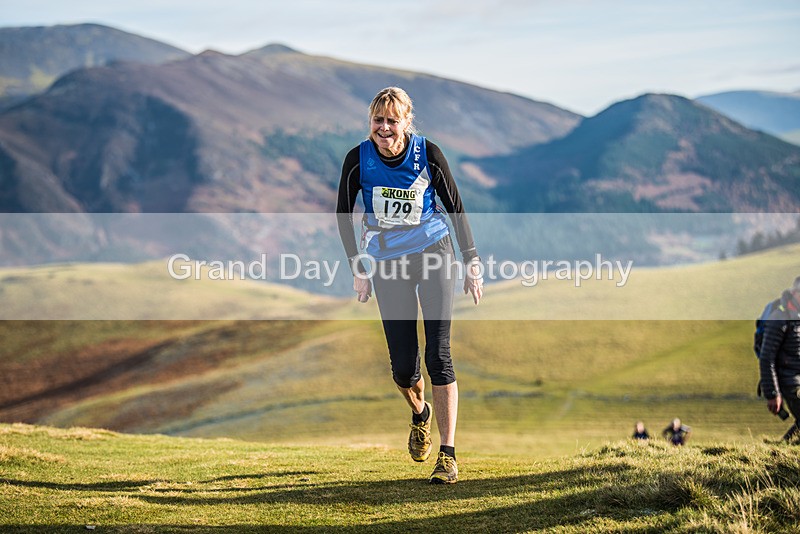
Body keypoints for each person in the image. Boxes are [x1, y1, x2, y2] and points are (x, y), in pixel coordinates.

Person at [336, 87, 483, 484]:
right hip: (386, 261)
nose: (384, 128)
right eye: (377, 121)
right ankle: (420, 414)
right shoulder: (358, 160)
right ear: (371, 122)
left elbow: (455, 206)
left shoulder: (428, 154)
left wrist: (471, 262)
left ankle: (448, 455)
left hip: (434, 252)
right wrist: (359, 267)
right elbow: (342, 214)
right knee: (404, 367)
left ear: (406, 122)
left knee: (439, 355)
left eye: (392, 120)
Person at [759, 276, 800, 441]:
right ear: (795, 293)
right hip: (789, 382)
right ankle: (781, 452)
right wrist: (772, 393)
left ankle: (781, 449)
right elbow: (766, 357)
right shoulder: (779, 318)